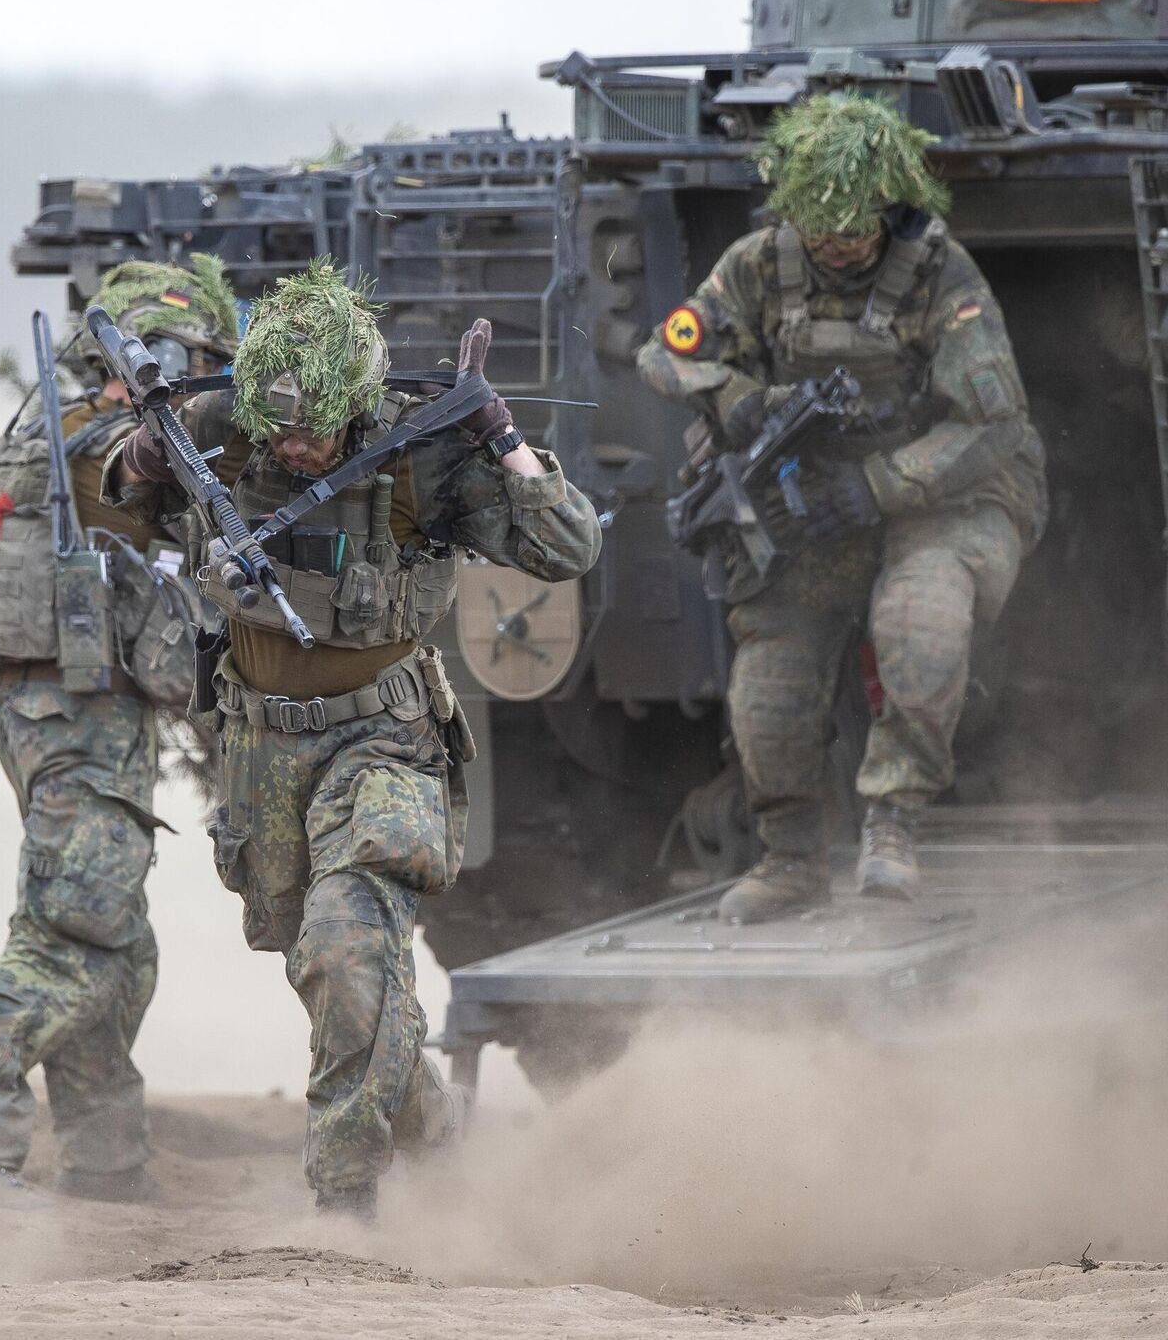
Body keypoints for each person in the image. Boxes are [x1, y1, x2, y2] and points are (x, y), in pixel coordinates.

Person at [107, 262, 601, 1218]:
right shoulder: (224, 429)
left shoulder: (422, 455)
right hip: (260, 754)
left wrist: (500, 436)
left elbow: (568, 546)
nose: (295, 445)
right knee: (337, 979)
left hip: (383, 741)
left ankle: (345, 1203)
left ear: (357, 405)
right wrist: (143, 454)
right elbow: (127, 495)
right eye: (279, 427)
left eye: (316, 428)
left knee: (346, 953)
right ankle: (441, 1140)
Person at [636, 92, 1047, 924]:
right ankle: (790, 859)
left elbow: (992, 426)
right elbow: (664, 354)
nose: (834, 246)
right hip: (817, 500)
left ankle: (892, 823)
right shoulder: (758, 265)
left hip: (944, 492)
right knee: (771, 683)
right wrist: (737, 399)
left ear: (889, 210)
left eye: (853, 231)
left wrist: (877, 485)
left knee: (920, 622)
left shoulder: (941, 276)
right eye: (818, 229)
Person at [0, 255, 238, 1207]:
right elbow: (135, 468)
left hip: (66, 709)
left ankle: (106, 1164)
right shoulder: (102, 442)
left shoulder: (57, 429)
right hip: (75, 713)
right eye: (196, 362)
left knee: (117, 944)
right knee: (72, 932)